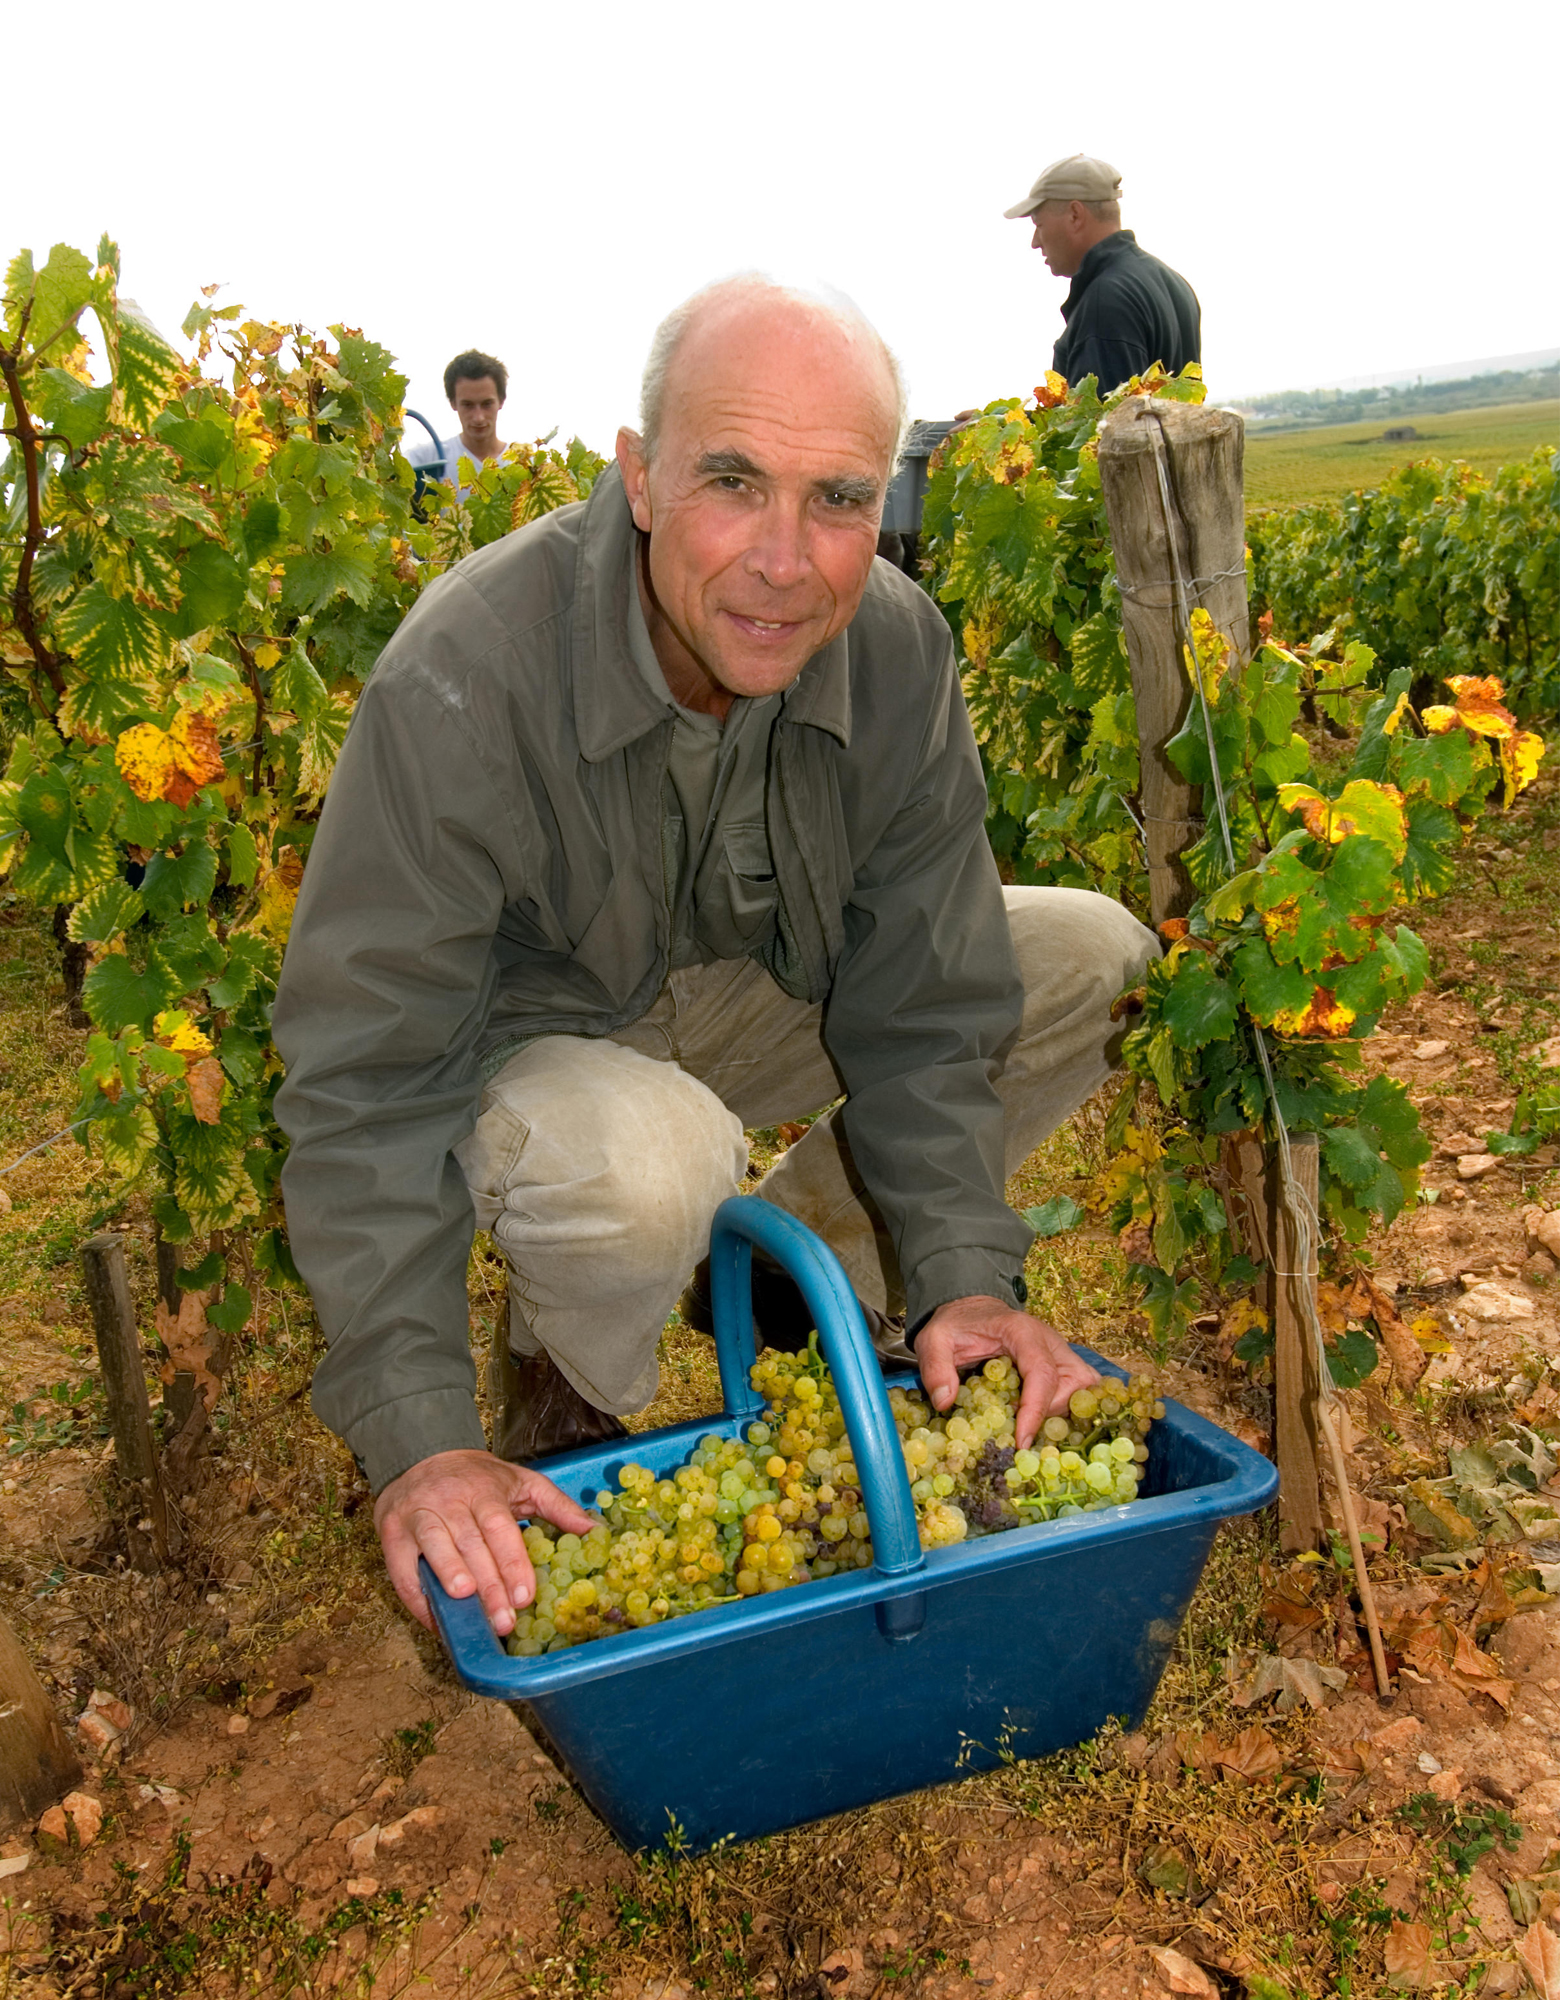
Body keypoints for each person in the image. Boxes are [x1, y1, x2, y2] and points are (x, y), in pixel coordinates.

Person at [272, 276, 1158, 1638]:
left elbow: (926, 993)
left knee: (1089, 956)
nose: (787, 559)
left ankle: (804, 1271)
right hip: (535, 1042)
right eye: (735, 482)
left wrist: (970, 1273)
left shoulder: (894, 649)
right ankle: (568, 1376)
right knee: (653, 1162)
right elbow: (367, 1071)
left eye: (840, 498)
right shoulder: (466, 673)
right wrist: (415, 1434)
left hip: (746, 996)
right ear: (637, 480)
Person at [1005, 155, 1200, 392]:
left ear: (1075, 215)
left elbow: (1099, 425)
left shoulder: (1105, 299)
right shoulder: (1173, 282)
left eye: (1039, 224)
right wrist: (999, 421)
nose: (1035, 242)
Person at [406, 349, 508, 496]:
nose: (478, 417)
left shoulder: (526, 464)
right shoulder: (425, 459)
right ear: (453, 403)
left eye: (487, 404)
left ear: (501, 400)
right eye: (468, 405)